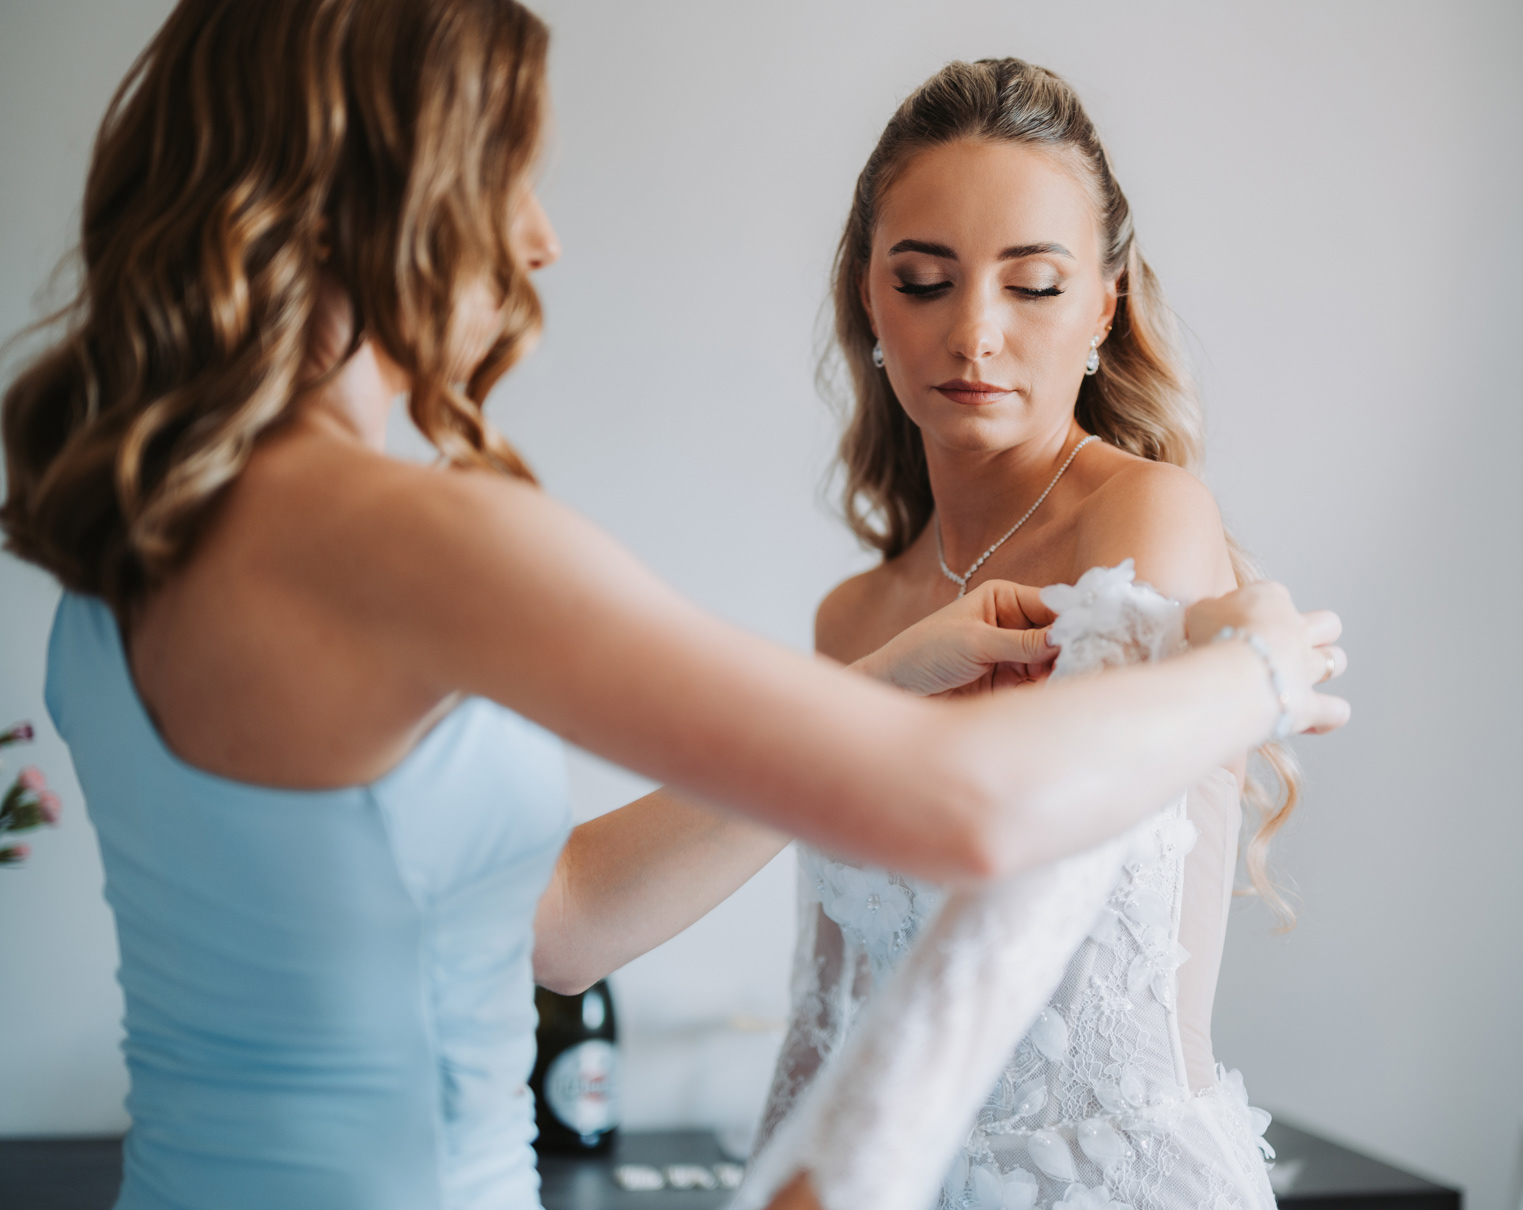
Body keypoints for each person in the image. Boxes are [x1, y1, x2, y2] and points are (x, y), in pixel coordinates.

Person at [0, 5, 1349, 1209]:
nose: (540, 236)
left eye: (1033, 283)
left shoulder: (123, 557)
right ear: (372, 191)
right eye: (503, 174)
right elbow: (972, 805)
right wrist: (1258, 669)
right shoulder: (416, 538)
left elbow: (560, 923)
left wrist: (876, 680)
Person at [745, 60, 1325, 1210]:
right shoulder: (852, 621)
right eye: (925, 281)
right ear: (869, 299)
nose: (974, 333)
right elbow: (824, 1023)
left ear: (1103, 306)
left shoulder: (1146, 520)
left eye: (1034, 286)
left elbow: (1039, 886)